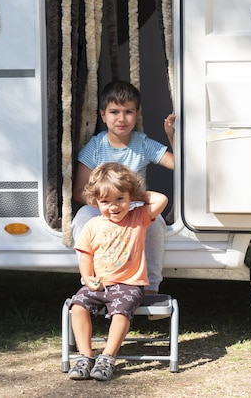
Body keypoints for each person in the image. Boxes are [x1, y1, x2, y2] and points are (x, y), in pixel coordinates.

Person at [68, 162, 168, 381]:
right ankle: (85, 356)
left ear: (129, 197)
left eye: (119, 199)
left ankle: (107, 358)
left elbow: (161, 200)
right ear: (95, 202)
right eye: (105, 201)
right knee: (77, 306)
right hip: (99, 284)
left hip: (128, 284)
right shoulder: (92, 225)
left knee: (121, 313)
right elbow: (86, 256)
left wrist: (135, 195)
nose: (113, 207)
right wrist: (87, 277)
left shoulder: (138, 218)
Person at [72, 80, 175, 293]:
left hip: (135, 207)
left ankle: (151, 288)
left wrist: (171, 136)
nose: (121, 118)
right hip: (104, 208)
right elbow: (79, 191)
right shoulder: (96, 146)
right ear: (102, 115)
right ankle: (91, 282)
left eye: (128, 111)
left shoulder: (142, 143)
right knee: (82, 216)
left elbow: (178, 164)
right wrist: (108, 205)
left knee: (156, 224)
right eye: (114, 112)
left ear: (137, 114)